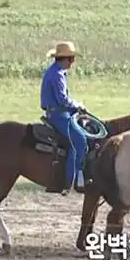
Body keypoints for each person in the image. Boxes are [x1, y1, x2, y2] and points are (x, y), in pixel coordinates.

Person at [40, 41, 89, 194]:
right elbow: (63, 99)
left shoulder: (54, 72)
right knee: (80, 141)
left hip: (57, 112)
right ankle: (72, 180)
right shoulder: (57, 75)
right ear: (65, 59)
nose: (73, 62)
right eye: (72, 59)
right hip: (59, 115)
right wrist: (78, 105)